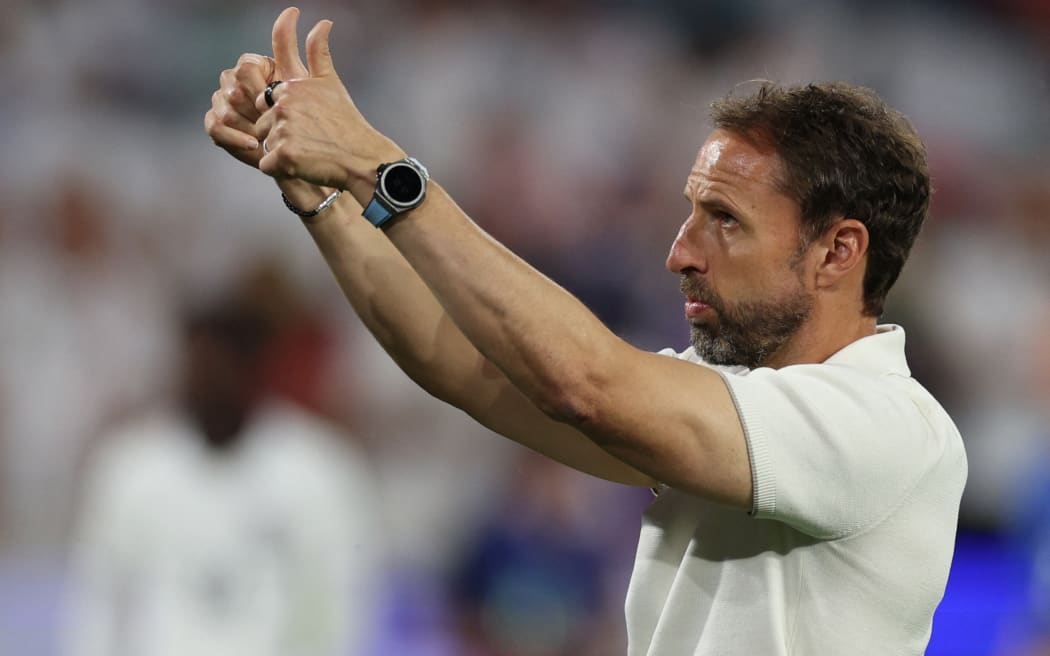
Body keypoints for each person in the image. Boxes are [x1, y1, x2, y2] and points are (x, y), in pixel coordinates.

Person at [204, 7, 967, 654]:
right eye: (691, 213)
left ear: (838, 251)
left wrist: (379, 168)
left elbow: (587, 385)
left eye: (725, 221)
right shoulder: (737, 405)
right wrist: (322, 197)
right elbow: (466, 366)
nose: (680, 252)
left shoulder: (890, 429)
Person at [63, 285, 381, 656]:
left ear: (255, 370)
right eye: (199, 365)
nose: (209, 381)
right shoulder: (130, 467)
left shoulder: (319, 470)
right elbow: (97, 601)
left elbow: (341, 602)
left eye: (223, 365)